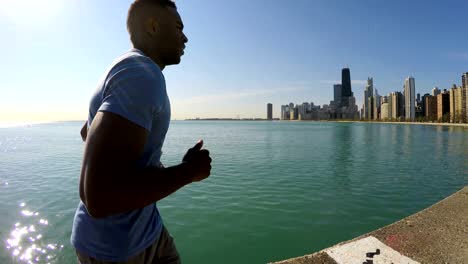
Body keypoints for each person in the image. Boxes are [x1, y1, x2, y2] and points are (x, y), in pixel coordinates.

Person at [71, 1, 212, 263]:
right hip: (118, 249)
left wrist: (163, 167)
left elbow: (86, 133)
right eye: (179, 26)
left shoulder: (128, 68)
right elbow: (99, 197)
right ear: (153, 25)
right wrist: (189, 172)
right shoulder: (141, 74)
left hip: (146, 231)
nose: (185, 36)